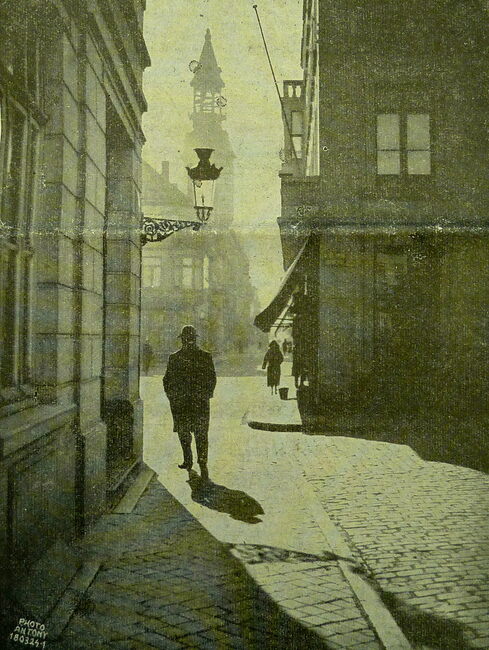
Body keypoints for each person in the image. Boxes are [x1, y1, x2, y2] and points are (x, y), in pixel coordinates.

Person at [163, 325, 216, 480]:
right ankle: (194, 460)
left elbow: (211, 378)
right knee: (190, 432)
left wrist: (205, 394)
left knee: (194, 432)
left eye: (190, 339)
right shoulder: (177, 357)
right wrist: (172, 396)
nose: (188, 341)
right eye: (187, 339)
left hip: (191, 402)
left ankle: (197, 460)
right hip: (190, 402)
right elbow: (167, 380)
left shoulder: (200, 356)